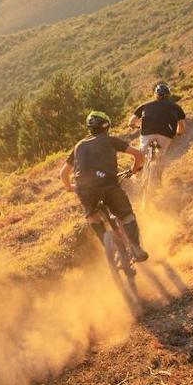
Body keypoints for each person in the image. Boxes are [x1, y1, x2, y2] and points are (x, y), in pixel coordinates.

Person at [60, 110, 149, 269]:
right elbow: (138, 154)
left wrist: (70, 188)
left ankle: (109, 247)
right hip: (107, 184)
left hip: (84, 188)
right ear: (106, 126)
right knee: (126, 214)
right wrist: (134, 170)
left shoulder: (79, 146)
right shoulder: (109, 140)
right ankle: (136, 247)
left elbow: (63, 173)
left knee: (92, 215)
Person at [128, 82, 186, 182]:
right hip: (166, 135)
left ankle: (136, 174)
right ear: (169, 96)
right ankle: (158, 179)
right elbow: (182, 125)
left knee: (141, 154)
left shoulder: (146, 105)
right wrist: (179, 133)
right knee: (161, 156)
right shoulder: (176, 107)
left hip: (147, 133)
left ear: (155, 94)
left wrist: (134, 126)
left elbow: (131, 121)